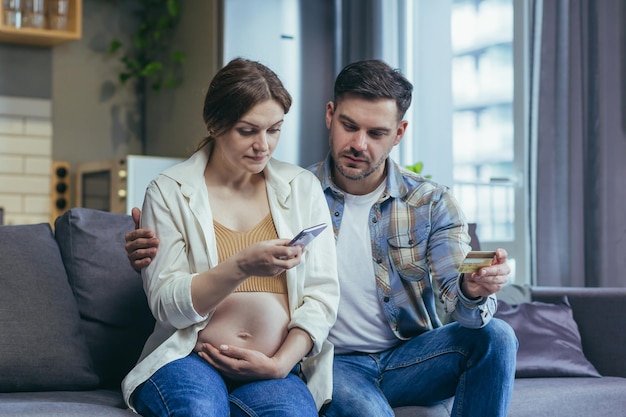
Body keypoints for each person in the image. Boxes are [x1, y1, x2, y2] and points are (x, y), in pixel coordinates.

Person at [126, 59, 518, 417]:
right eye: (350, 126)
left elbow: (461, 300)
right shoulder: (299, 188)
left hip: (404, 357)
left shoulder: (430, 202)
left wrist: (474, 287)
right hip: (334, 362)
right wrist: (146, 247)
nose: (359, 144)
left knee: (496, 336)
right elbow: (174, 278)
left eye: (376, 132)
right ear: (330, 116)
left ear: (399, 133)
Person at [121, 57, 340, 417]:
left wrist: (281, 364)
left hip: (273, 366)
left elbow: (322, 296)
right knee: (199, 410)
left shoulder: (303, 188)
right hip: (190, 356)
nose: (263, 145)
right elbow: (166, 303)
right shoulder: (170, 190)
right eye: (247, 130)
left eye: (274, 129)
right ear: (216, 124)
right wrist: (242, 264)